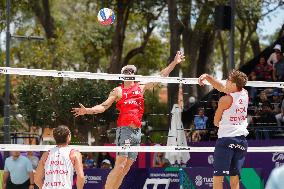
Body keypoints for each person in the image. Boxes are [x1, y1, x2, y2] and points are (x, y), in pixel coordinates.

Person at [72, 51, 184, 189]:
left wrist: (174, 62)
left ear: (134, 74)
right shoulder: (118, 91)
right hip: (124, 129)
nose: (130, 72)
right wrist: (87, 110)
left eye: (132, 70)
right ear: (122, 74)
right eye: (127, 70)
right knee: (120, 166)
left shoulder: (141, 87)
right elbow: (103, 106)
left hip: (137, 132)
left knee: (125, 170)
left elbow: (161, 75)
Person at [198, 70, 249, 189]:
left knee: (218, 178)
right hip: (241, 141)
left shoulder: (225, 100)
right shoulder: (245, 93)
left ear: (233, 85)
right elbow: (221, 87)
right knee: (234, 177)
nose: (226, 81)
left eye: (228, 80)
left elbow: (215, 122)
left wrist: (225, 122)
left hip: (226, 140)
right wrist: (207, 76)